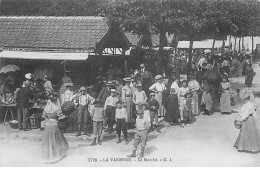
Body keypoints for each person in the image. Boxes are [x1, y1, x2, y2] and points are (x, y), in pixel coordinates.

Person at [42, 93, 69, 163]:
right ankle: (56, 155)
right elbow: (61, 117)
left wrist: (48, 118)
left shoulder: (46, 108)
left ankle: (48, 157)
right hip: (54, 124)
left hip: (48, 125)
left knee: (48, 141)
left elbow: (44, 116)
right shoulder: (56, 108)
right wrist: (65, 116)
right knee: (56, 140)